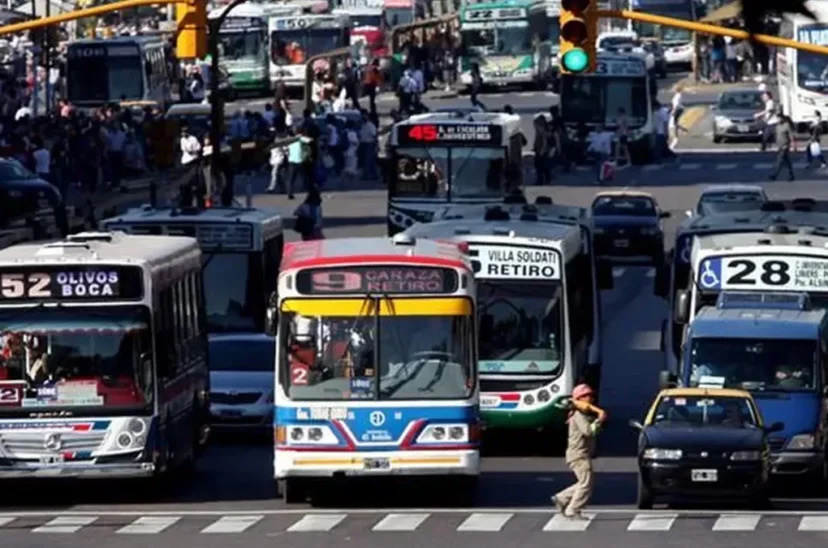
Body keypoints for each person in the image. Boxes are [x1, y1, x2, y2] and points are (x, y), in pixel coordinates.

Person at [551, 384, 606, 519]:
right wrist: (599, 420)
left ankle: (562, 498)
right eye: (587, 396)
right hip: (579, 454)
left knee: (585, 482)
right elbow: (588, 431)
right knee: (586, 484)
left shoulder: (581, 414)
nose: (590, 399)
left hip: (579, 454)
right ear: (579, 399)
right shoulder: (578, 415)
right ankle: (573, 509)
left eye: (591, 396)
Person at [770, 112, 796, 181]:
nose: (778, 119)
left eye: (779, 118)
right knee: (787, 162)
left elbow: (791, 136)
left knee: (779, 160)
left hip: (785, 146)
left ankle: (774, 175)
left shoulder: (787, 125)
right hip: (779, 146)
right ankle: (791, 175)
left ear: (782, 118)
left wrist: (793, 145)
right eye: (777, 118)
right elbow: (776, 136)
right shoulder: (777, 126)